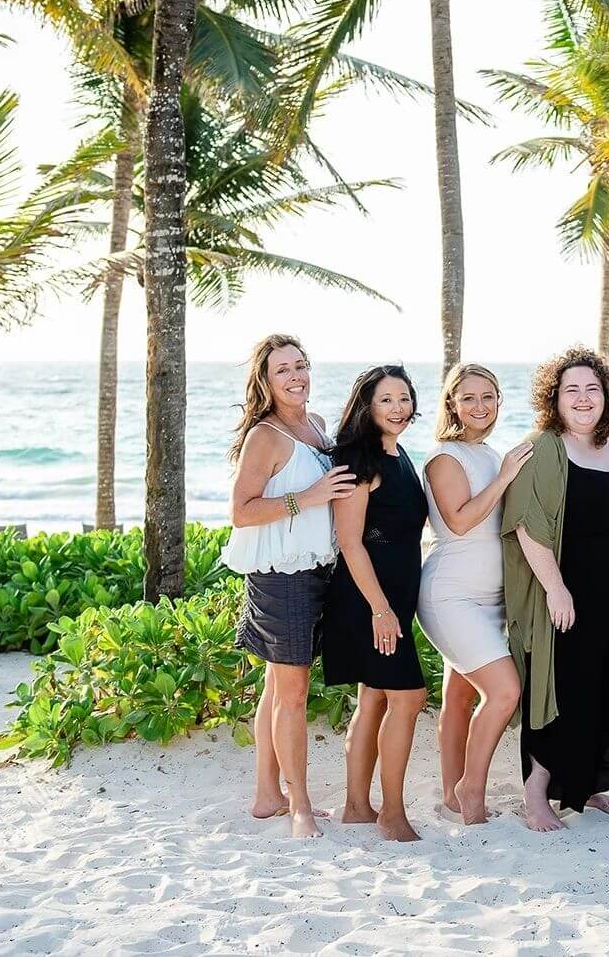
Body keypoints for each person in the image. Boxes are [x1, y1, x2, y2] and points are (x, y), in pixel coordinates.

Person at [501, 348, 609, 832]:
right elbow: (528, 525)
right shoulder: (543, 448)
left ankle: (584, 786)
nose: (584, 399)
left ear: (607, 396)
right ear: (555, 399)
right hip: (570, 597)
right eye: (572, 390)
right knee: (563, 691)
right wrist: (556, 589)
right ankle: (536, 792)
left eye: (593, 389)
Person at [222, 334, 357, 839]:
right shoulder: (266, 436)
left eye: (301, 365)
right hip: (281, 575)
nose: (296, 375)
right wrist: (309, 497)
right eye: (283, 370)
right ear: (265, 380)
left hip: (318, 568)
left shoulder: (317, 425)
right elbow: (241, 511)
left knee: (278, 686)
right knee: (293, 693)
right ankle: (299, 805)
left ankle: (266, 795)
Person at [417, 363, 534, 824]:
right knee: (505, 692)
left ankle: (450, 793)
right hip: (451, 596)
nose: (479, 406)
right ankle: (471, 789)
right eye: (468, 398)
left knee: (461, 698)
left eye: (489, 397)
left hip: (491, 602)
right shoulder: (445, 457)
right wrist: (505, 477)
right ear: (452, 403)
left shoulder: (490, 453)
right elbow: (461, 520)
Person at [320, 365, 430, 842]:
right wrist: (380, 610)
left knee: (374, 699)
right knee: (408, 696)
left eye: (404, 399)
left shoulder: (400, 453)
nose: (398, 408)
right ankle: (392, 813)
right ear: (366, 405)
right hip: (368, 601)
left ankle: (356, 807)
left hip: (394, 599)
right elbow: (350, 541)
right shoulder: (359, 461)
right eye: (386, 400)